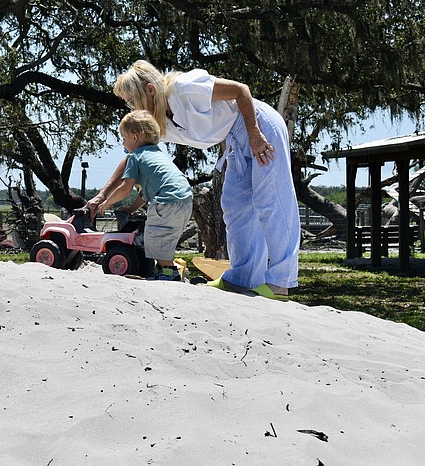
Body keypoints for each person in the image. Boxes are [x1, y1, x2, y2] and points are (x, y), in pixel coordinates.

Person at [87, 60, 298, 299]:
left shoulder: (184, 88)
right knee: (235, 206)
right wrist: (101, 196)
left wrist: (254, 134)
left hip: (259, 126)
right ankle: (242, 278)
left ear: (149, 90)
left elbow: (241, 90)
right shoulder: (157, 123)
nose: (130, 108)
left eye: (131, 101)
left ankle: (281, 282)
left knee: (272, 201)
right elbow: (132, 158)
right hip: (235, 140)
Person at [96, 110, 193, 281]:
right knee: (165, 237)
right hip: (185, 199)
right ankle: (165, 269)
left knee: (156, 238)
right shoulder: (156, 154)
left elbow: (125, 187)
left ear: (134, 137)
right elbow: (144, 195)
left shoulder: (134, 157)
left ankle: (168, 273)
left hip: (166, 201)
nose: (123, 143)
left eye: (123, 138)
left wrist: (106, 203)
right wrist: (131, 208)